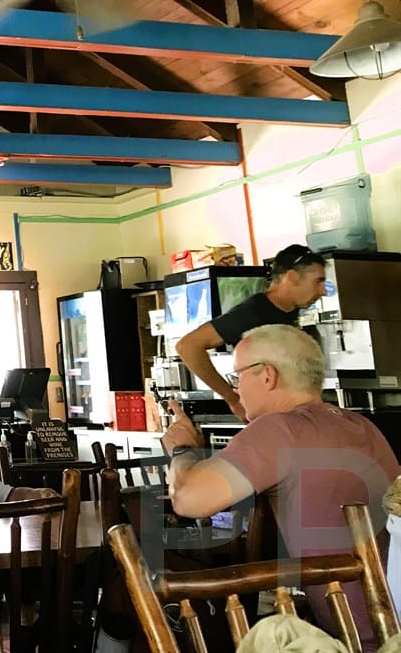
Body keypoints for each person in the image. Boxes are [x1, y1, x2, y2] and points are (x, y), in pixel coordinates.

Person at [162, 324, 400, 649]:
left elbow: (188, 499)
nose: (236, 389)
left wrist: (182, 450)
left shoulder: (281, 428)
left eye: (236, 377)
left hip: (358, 640)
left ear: (268, 376)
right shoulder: (361, 424)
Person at [175, 244, 328, 420]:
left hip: (291, 416)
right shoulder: (253, 312)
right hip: (268, 421)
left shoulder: (291, 311)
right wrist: (232, 398)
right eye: (318, 281)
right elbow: (187, 346)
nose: (323, 291)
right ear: (292, 277)